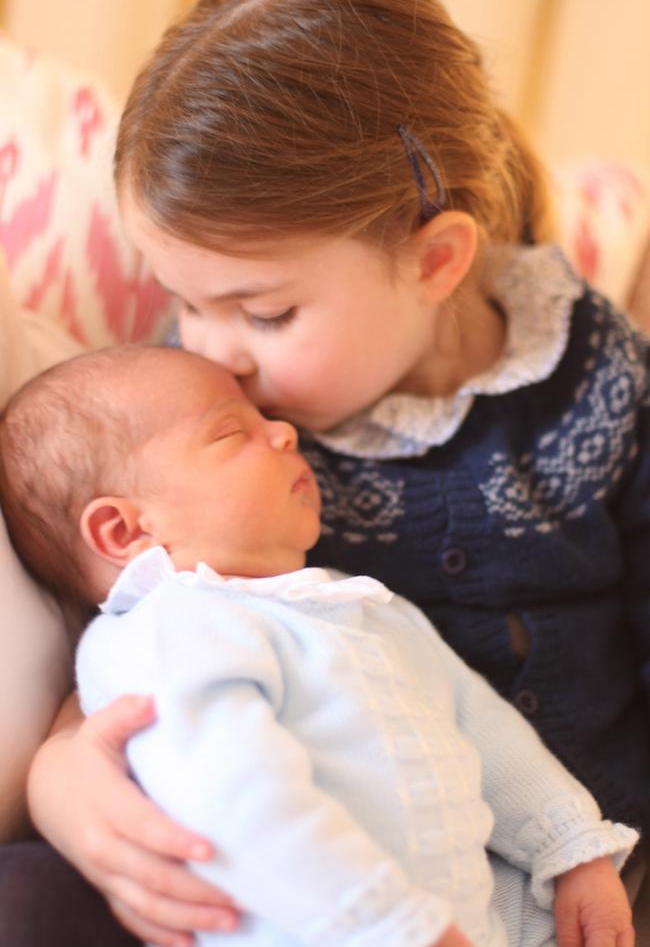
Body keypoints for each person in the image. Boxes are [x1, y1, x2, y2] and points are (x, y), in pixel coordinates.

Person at [3, 0, 650, 944]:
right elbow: (139, 611)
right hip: (307, 867)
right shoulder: (199, 411)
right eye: (182, 301)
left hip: (578, 880)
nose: (212, 352)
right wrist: (57, 775)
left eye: (261, 312)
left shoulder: (600, 385)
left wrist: (586, 850)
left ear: (434, 260)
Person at [0, 344, 638, 947]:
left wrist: (568, 846)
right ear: (126, 528)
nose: (284, 433)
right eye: (231, 433)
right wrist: (391, 924)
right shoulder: (172, 628)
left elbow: (483, 729)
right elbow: (234, 796)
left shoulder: (363, 608)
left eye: (267, 420)